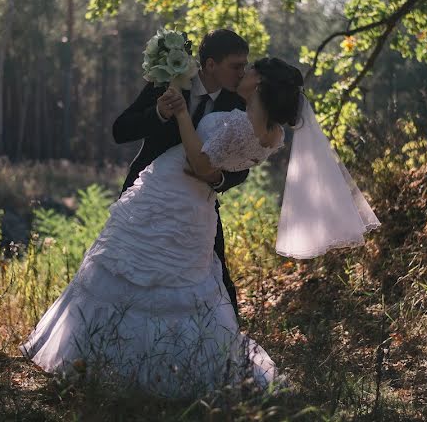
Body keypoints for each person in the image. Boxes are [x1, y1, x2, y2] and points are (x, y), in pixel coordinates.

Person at [20, 57, 306, 396]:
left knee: (132, 272)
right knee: (179, 282)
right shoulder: (273, 134)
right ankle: (156, 362)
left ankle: (113, 361)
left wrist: (185, 117)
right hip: (192, 206)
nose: (243, 72)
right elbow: (128, 130)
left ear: (259, 84)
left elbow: (200, 163)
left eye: (250, 69)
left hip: (172, 194)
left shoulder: (235, 120)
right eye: (238, 65)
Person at [111, 29, 250, 320]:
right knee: (127, 267)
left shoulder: (239, 103)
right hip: (148, 194)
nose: (243, 72)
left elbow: (242, 164)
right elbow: (120, 130)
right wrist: (158, 113)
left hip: (199, 202)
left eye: (245, 65)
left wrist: (218, 180)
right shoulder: (166, 82)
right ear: (210, 64)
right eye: (236, 66)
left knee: (215, 272)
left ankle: (228, 348)